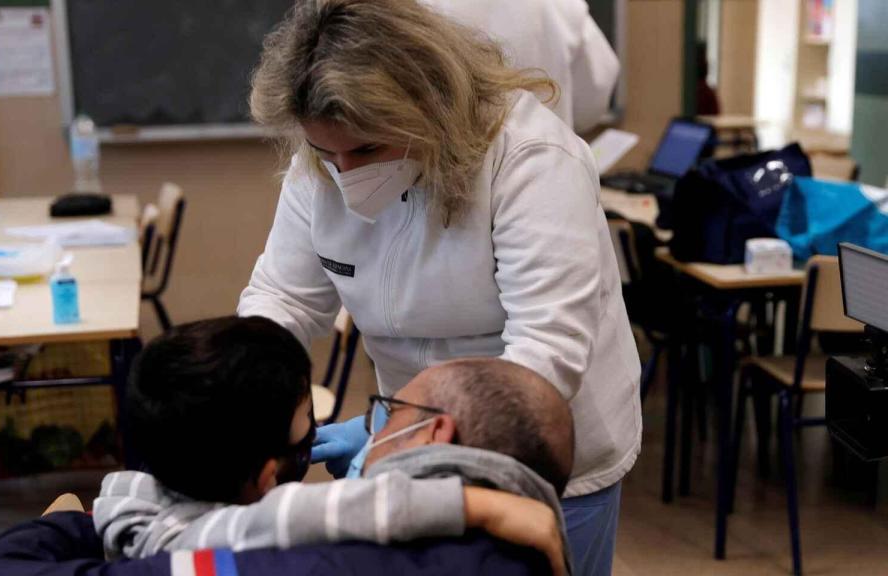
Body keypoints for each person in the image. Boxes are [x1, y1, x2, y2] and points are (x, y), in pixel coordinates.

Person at [238, 1, 641, 574]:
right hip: (414, 430)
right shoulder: (318, 169)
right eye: (329, 154)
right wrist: (243, 387)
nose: (346, 174)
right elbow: (283, 298)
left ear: (426, 109)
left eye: (368, 149)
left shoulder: (530, 160)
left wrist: (394, 432)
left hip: (547, 450)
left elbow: (543, 358)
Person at [93, 317, 568, 574]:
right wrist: (476, 504)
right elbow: (330, 510)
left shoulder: (142, 493)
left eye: (389, 412)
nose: (371, 427)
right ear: (266, 479)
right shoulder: (220, 536)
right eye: (307, 421)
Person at [422, 0, 620, 133]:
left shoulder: (412, 8)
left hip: (454, 179)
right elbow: (595, 95)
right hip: (549, 169)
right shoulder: (561, 5)